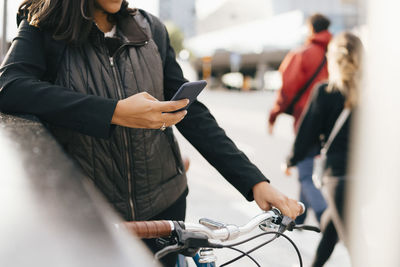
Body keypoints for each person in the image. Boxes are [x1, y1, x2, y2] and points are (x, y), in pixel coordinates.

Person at [0, 1, 302, 266]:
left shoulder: (152, 29)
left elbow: (191, 114)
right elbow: (9, 87)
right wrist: (114, 112)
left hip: (165, 208)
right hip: (92, 213)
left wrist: (254, 182)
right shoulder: (43, 26)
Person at [285, 32, 363, 266]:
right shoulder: (372, 94)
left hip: (339, 176)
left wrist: (291, 160)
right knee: (330, 230)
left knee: (357, 247)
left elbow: (306, 134)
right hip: (368, 175)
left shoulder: (325, 92)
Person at [268, 13, 332, 224]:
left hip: (307, 118)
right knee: (308, 165)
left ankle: (326, 217)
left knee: (304, 172)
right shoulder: (336, 51)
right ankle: (301, 216)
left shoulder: (303, 54)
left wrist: (273, 115)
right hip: (333, 121)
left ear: (311, 29)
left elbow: (287, 88)